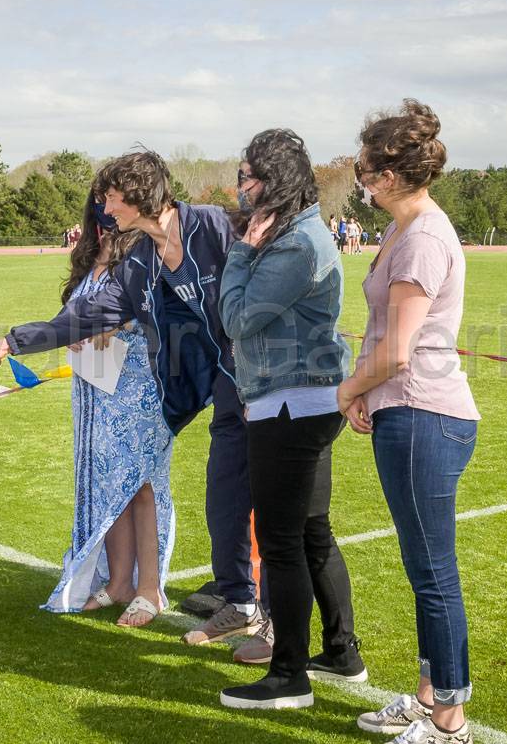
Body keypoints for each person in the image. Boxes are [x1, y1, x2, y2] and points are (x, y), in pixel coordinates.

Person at [0, 150, 265, 652]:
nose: (103, 207)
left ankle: (273, 622)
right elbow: (88, 316)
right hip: (208, 386)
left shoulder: (212, 225)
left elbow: (259, 289)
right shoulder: (139, 258)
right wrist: (11, 341)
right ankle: (240, 603)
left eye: (110, 197)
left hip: (259, 377)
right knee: (224, 498)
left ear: (138, 195)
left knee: (278, 506)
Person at [339, 100, 481, 744]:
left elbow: (399, 348)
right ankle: (428, 698)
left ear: (389, 174)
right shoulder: (404, 228)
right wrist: (368, 391)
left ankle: (449, 719)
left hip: (426, 412)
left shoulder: (422, 235)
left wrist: (350, 388)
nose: (360, 177)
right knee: (422, 564)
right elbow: (384, 336)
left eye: (367, 167)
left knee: (432, 570)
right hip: (406, 408)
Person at [217, 130, 364, 710]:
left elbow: (236, 318)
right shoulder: (295, 233)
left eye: (249, 175)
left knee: (282, 540)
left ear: (275, 180)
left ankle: (289, 675)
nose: (241, 187)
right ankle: (341, 651)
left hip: (290, 404)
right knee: (309, 532)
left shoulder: (293, 244)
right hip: (300, 401)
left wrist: (240, 253)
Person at [43, 190, 175, 626]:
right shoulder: (90, 255)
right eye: (101, 201)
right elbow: (75, 313)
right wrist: (75, 329)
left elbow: (161, 310)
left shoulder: (143, 252)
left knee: (141, 484)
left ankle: (148, 588)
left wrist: (119, 322)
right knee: (109, 483)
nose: (108, 210)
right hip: (95, 387)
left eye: (114, 200)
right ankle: (118, 581)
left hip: (138, 385)